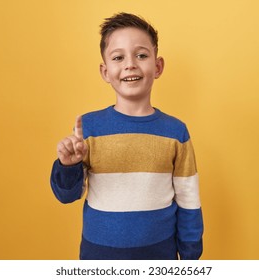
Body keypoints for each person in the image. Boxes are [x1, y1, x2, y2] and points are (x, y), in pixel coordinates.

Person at [50, 12, 204, 260]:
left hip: (159, 257)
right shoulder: (88, 127)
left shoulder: (177, 132)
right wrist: (69, 165)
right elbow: (67, 196)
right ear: (105, 71)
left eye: (141, 55)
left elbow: (188, 200)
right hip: (98, 258)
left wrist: (189, 257)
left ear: (158, 66)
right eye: (118, 57)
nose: (130, 64)